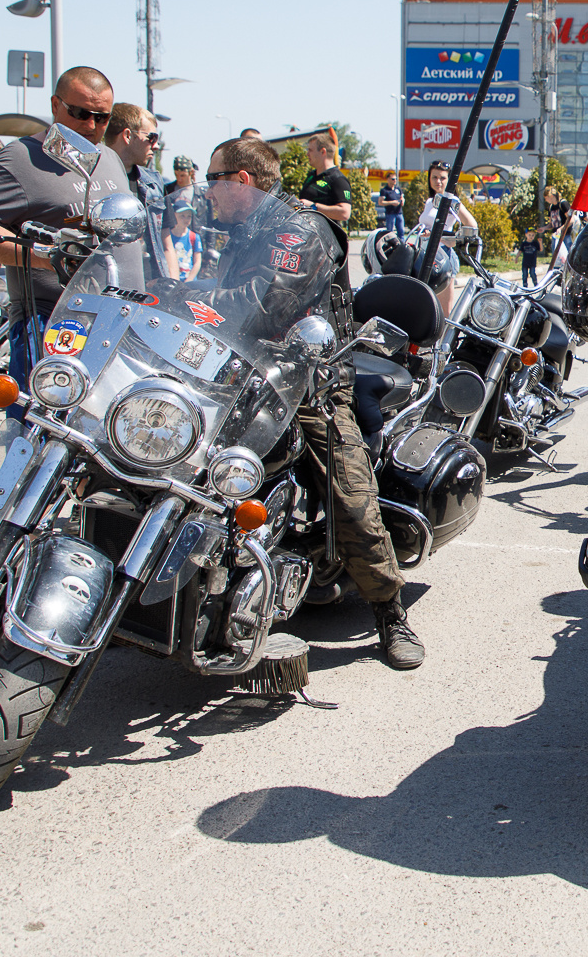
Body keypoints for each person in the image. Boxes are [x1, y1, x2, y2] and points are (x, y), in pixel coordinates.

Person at [198, 136, 423, 669]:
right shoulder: (242, 230)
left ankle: (390, 612)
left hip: (308, 381)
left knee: (348, 491)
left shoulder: (300, 228)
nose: (207, 191)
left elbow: (264, 300)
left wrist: (191, 296)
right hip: (244, 374)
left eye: (213, 179)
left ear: (241, 181)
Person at [0, 67, 131, 414]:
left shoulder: (109, 158)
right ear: (55, 105)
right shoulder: (18, 159)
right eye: (81, 113)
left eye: (103, 118)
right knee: (38, 426)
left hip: (115, 319)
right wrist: (46, 257)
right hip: (51, 320)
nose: (92, 125)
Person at [103, 103, 174, 274]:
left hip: (153, 286)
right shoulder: (95, 180)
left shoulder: (154, 183)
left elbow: (167, 245)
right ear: (128, 136)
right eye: (152, 137)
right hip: (110, 283)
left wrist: (173, 286)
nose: (156, 146)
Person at [415, 160, 478, 316]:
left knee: (444, 313)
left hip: (442, 259)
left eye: (442, 178)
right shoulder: (430, 201)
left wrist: (441, 236)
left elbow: (472, 225)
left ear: (449, 180)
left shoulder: (452, 202)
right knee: (426, 309)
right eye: (434, 177)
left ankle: (444, 340)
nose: (438, 181)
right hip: (424, 256)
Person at [298, 132, 352, 224]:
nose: (307, 154)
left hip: (325, 236)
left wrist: (313, 207)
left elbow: (345, 213)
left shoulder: (338, 179)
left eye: (310, 150)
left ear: (323, 152)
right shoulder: (311, 176)